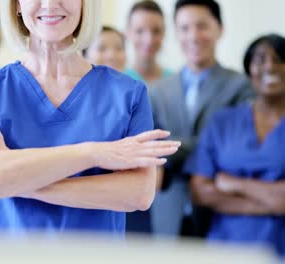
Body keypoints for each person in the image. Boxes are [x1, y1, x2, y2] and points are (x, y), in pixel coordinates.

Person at [0, 0, 180, 239]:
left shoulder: (128, 94)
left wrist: (17, 179)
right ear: (16, 5)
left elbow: (138, 193)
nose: (50, 4)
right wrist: (94, 153)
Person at [148, 0, 254, 237]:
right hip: (167, 213)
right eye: (184, 28)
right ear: (175, 33)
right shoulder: (156, 91)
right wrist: (204, 145)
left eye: (202, 26)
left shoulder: (242, 87)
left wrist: (171, 149)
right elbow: (149, 150)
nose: (193, 36)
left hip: (221, 213)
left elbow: (231, 149)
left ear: (220, 29)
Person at [186, 33, 285, 256]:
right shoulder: (223, 122)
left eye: (279, 59)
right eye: (260, 60)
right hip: (225, 248)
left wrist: (234, 183)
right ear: (249, 70)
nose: (270, 66)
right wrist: (273, 202)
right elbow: (199, 191)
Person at [85, 26, 152, 235]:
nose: (112, 55)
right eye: (102, 48)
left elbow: (147, 174)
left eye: (118, 48)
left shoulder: (137, 99)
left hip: (133, 212)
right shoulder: (76, 102)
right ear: (84, 54)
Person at [125, 0, 171, 84]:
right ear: (128, 33)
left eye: (156, 31)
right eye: (140, 31)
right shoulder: (119, 80)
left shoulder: (174, 81)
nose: (149, 40)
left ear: (164, 33)